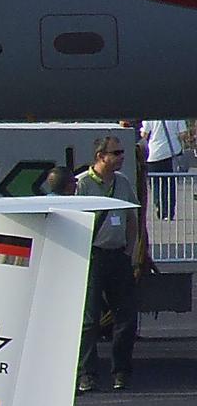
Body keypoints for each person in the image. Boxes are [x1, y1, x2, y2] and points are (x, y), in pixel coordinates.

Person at [76, 135, 140, 392]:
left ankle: (121, 371)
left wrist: (131, 252)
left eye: (122, 152)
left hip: (117, 256)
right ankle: (86, 373)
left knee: (126, 317)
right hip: (93, 256)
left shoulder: (122, 183)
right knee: (89, 320)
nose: (121, 157)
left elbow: (132, 219)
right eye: (116, 152)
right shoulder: (82, 184)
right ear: (100, 156)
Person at [142, 117, 184, 220]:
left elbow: (144, 135)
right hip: (172, 152)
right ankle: (169, 212)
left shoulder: (150, 115)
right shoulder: (177, 115)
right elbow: (183, 134)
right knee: (170, 184)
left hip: (154, 154)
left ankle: (159, 207)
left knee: (156, 184)